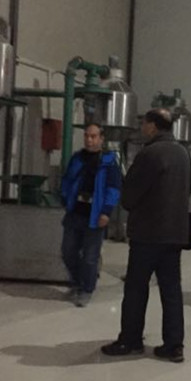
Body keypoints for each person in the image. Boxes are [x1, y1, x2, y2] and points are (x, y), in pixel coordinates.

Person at [101, 109, 191, 363]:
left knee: (136, 289)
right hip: (174, 235)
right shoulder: (183, 154)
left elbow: (130, 196)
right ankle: (174, 345)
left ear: (152, 126)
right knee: (171, 291)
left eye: (144, 123)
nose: (142, 128)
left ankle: (130, 341)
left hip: (148, 235)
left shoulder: (150, 153)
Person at [60, 123, 121, 307]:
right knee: (68, 251)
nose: (89, 140)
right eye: (86, 136)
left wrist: (106, 212)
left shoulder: (109, 162)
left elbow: (113, 189)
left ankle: (86, 289)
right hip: (75, 212)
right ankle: (79, 281)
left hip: (95, 216)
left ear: (101, 139)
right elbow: (67, 180)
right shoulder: (77, 158)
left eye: (93, 136)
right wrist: (65, 198)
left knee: (90, 256)